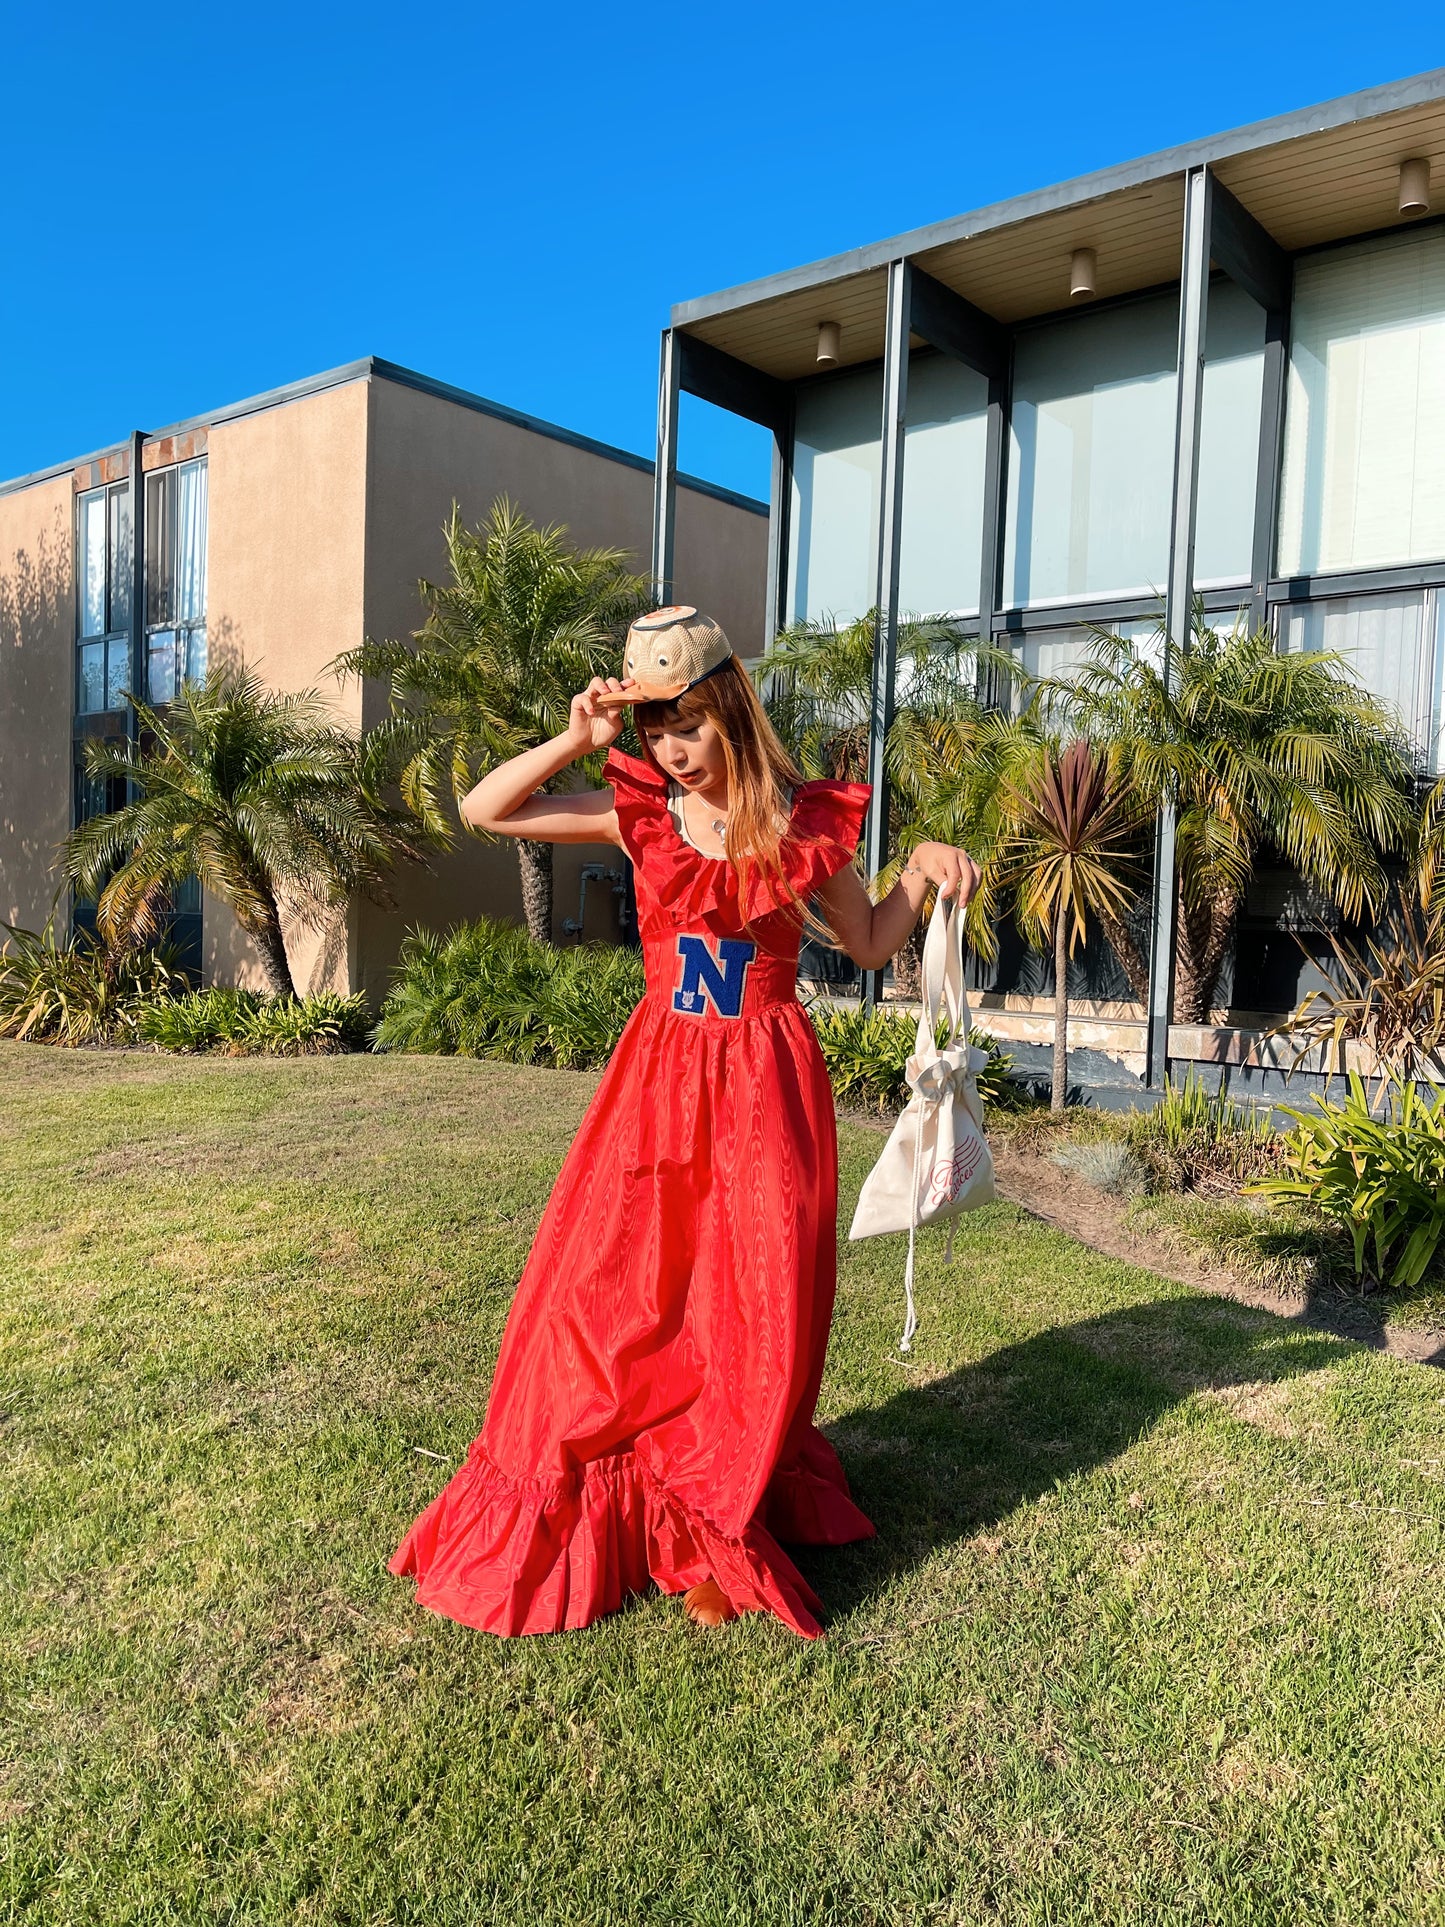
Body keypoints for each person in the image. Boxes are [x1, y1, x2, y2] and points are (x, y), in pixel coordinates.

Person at [390, 606, 980, 1638]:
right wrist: (580, 739)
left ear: (732, 715)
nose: (671, 749)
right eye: (655, 727)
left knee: (749, 1306)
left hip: (766, 1085)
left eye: (689, 725)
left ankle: (719, 1513)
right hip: (658, 1081)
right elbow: (489, 808)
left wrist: (921, 871)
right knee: (617, 1296)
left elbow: (873, 942)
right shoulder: (641, 812)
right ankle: (642, 1488)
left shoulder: (800, 827)